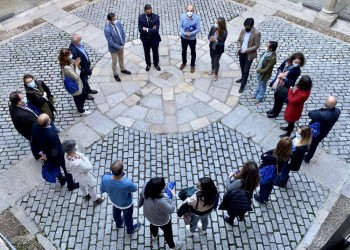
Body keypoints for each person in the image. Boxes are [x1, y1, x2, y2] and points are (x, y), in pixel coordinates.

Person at [31, 113, 79, 191]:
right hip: (57, 156)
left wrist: (40, 154)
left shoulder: (34, 126)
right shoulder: (52, 134)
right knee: (67, 169)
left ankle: (62, 180)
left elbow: (33, 141)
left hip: (45, 153)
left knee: (54, 167)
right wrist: (47, 157)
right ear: (48, 122)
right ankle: (71, 185)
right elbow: (55, 151)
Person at [139, 177, 182, 250]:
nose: (165, 186)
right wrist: (174, 196)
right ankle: (172, 247)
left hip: (149, 215)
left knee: (153, 225)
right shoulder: (161, 201)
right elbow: (171, 210)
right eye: (164, 186)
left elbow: (141, 198)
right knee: (168, 233)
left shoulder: (145, 188)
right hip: (162, 221)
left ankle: (154, 236)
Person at [100, 160, 141, 234]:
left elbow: (102, 189)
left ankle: (118, 224)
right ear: (122, 171)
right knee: (128, 218)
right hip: (126, 204)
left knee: (116, 213)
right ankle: (130, 230)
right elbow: (135, 188)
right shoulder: (127, 183)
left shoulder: (105, 178)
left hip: (114, 201)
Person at [62, 139, 105, 207]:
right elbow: (88, 167)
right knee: (91, 188)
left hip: (79, 176)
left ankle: (86, 195)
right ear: (72, 150)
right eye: (74, 145)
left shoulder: (66, 155)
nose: (76, 145)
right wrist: (86, 159)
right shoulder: (76, 163)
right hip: (85, 177)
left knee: (82, 185)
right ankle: (95, 200)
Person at [266, 52, 306, 118]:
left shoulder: (297, 71)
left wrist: (284, 78)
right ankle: (273, 109)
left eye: (299, 63)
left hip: (285, 86)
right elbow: (280, 68)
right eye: (296, 62)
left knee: (280, 100)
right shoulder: (287, 61)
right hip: (278, 82)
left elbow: (292, 82)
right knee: (276, 96)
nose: (297, 64)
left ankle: (276, 112)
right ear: (292, 59)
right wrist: (280, 74)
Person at [220, 161, 260, 226]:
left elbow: (228, 188)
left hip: (236, 199)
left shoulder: (240, 181)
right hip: (247, 198)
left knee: (233, 211)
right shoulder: (257, 179)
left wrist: (229, 177)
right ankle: (241, 217)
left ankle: (230, 220)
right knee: (243, 209)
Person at [254, 137, 292, 204]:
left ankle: (261, 199)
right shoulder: (288, 155)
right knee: (269, 186)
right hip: (274, 174)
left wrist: (272, 151)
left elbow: (263, 156)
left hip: (267, 174)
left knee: (263, 185)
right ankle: (266, 198)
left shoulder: (272, 157)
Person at [304, 96, 341, 163]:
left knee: (306, 140)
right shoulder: (338, 111)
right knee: (314, 145)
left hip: (314, 131)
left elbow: (310, 113)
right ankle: (308, 158)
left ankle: (303, 151)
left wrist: (322, 109)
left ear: (326, 104)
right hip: (323, 133)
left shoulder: (321, 114)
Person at [59, 48, 91, 115]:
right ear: (65, 56)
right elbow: (76, 76)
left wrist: (77, 63)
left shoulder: (69, 61)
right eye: (70, 54)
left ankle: (81, 107)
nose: (71, 55)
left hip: (78, 83)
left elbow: (75, 65)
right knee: (78, 98)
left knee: (82, 96)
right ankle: (81, 110)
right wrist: (76, 66)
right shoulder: (66, 67)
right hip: (74, 84)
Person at [9, 91, 41, 158]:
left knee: (34, 142)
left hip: (26, 129)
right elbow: (38, 122)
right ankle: (38, 154)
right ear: (19, 103)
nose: (25, 98)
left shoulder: (12, 105)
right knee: (36, 142)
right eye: (23, 98)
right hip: (31, 131)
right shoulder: (24, 116)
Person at [69, 34, 98, 100]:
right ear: (75, 42)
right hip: (82, 70)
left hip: (85, 66)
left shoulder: (78, 45)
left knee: (86, 81)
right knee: (84, 83)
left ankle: (88, 90)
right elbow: (75, 64)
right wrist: (83, 70)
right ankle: (86, 95)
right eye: (79, 40)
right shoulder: (73, 51)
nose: (81, 41)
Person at [236, 18, 261, 93]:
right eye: (245, 26)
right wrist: (239, 47)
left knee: (246, 70)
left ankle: (242, 86)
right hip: (241, 53)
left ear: (252, 26)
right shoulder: (243, 30)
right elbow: (239, 40)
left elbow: (257, 45)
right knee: (242, 67)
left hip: (249, 55)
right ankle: (242, 78)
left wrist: (247, 50)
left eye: (248, 27)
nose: (246, 28)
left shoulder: (257, 33)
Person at [105, 13, 131, 82]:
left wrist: (123, 41)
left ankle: (122, 69)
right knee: (114, 62)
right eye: (114, 19)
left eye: (116, 18)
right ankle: (115, 74)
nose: (116, 20)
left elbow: (122, 32)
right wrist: (119, 47)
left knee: (121, 58)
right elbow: (110, 42)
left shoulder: (118, 23)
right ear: (110, 20)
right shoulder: (107, 30)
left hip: (121, 45)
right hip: (114, 49)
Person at [178, 4, 201, 73]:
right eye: (188, 10)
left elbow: (198, 29)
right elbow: (180, 26)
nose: (189, 12)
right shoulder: (183, 16)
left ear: (193, 11)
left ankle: (192, 65)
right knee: (183, 50)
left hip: (192, 39)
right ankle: (184, 62)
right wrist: (184, 33)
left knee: (193, 52)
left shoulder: (196, 18)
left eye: (191, 10)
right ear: (186, 10)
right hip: (184, 38)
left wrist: (191, 34)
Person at [138, 5, 161, 72]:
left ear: (151, 9)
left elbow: (156, 30)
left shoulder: (156, 17)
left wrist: (147, 29)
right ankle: (148, 64)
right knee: (146, 52)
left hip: (154, 38)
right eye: (147, 12)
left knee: (155, 52)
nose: (149, 13)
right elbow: (140, 30)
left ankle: (156, 64)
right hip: (145, 39)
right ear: (144, 11)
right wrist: (151, 29)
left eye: (150, 11)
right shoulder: (140, 17)